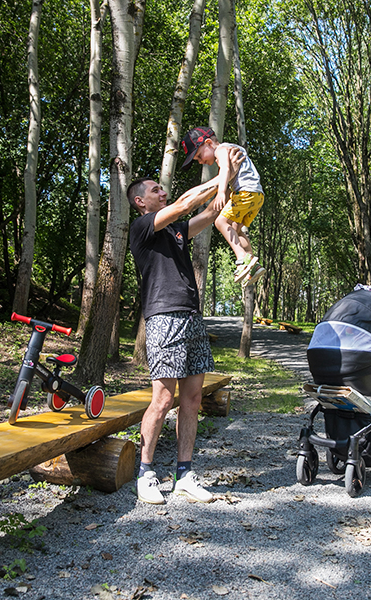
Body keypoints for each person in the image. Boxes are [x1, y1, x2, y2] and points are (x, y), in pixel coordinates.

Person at [126, 157, 242, 505]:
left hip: (192, 317)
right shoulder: (143, 227)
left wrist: (233, 180)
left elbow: (207, 215)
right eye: (154, 189)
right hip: (164, 318)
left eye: (162, 188)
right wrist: (219, 176)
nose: (162, 191)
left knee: (191, 399)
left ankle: (184, 474)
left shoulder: (176, 232)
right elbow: (183, 205)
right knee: (162, 400)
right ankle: (145, 473)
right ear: (140, 202)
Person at [179, 126, 266, 286]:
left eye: (199, 156)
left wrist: (221, 192)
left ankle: (242, 258)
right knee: (235, 229)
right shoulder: (232, 148)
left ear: (209, 143)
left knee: (220, 222)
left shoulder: (221, 149)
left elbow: (226, 169)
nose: (200, 161)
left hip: (244, 192)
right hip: (257, 196)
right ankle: (253, 265)